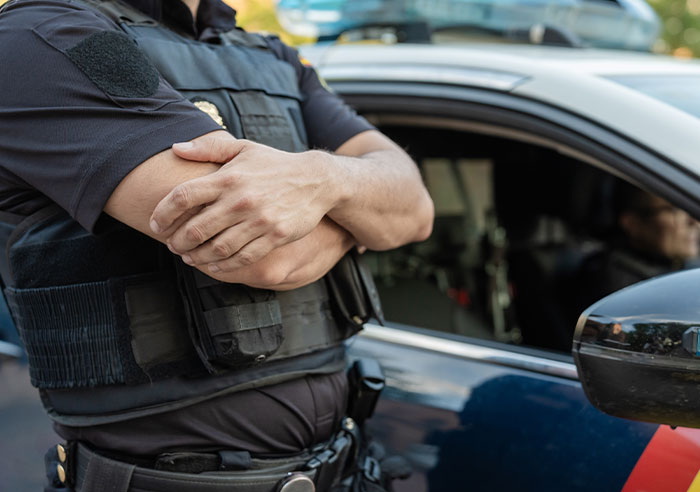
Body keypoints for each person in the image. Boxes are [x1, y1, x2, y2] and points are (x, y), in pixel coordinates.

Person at [0, 0, 434, 490]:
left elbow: (415, 209)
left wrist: (323, 177)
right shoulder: (41, 38)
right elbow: (269, 256)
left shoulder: (270, 56)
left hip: (343, 469)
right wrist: (361, 218)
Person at [575, 181, 699, 311]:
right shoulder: (620, 291)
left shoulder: (673, 267)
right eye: (675, 210)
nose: (694, 222)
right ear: (632, 224)